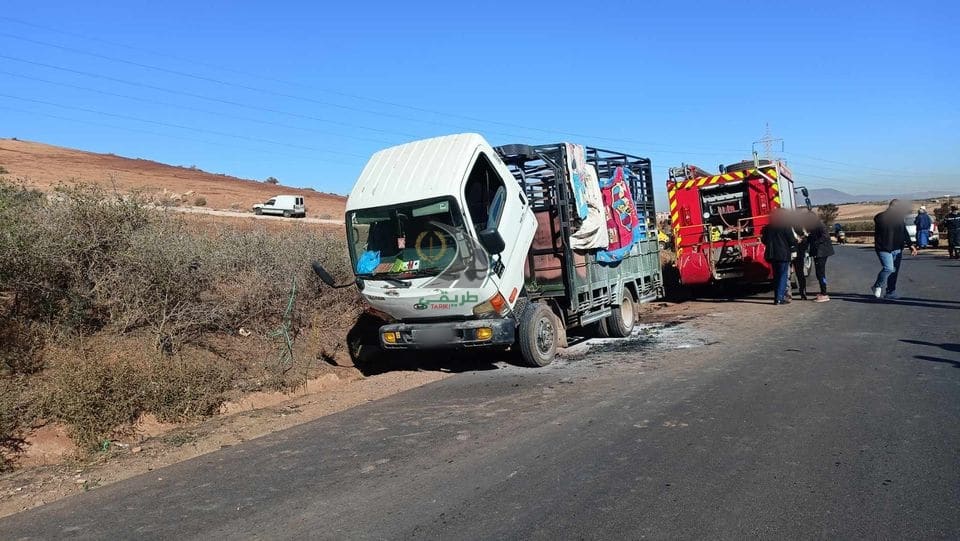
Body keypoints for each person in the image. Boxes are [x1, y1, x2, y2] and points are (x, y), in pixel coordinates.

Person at [872, 200, 918, 300]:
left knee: (894, 271)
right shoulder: (880, 217)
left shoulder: (899, 219)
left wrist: (911, 245)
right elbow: (881, 223)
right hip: (884, 248)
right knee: (889, 268)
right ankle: (877, 285)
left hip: (897, 248)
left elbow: (904, 232)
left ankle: (890, 291)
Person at [762, 208, 798, 305]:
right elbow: (791, 240)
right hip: (783, 255)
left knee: (776, 276)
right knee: (783, 276)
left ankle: (776, 297)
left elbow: (764, 241)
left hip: (771, 255)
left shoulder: (767, 228)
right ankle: (779, 298)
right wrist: (796, 241)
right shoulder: (785, 226)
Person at [806, 214, 835, 302]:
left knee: (820, 273)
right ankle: (823, 292)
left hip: (821, 252)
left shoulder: (820, 225)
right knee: (819, 273)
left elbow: (825, 237)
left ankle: (824, 293)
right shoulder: (816, 225)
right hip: (819, 252)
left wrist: (815, 242)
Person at [791, 212, 810, 300]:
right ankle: (803, 292)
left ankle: (800, 292)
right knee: (800, 274)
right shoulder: (801, 230)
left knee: (791, 274)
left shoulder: (789, 228)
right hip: (798, 254)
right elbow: (806, 243)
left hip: (792, 254)